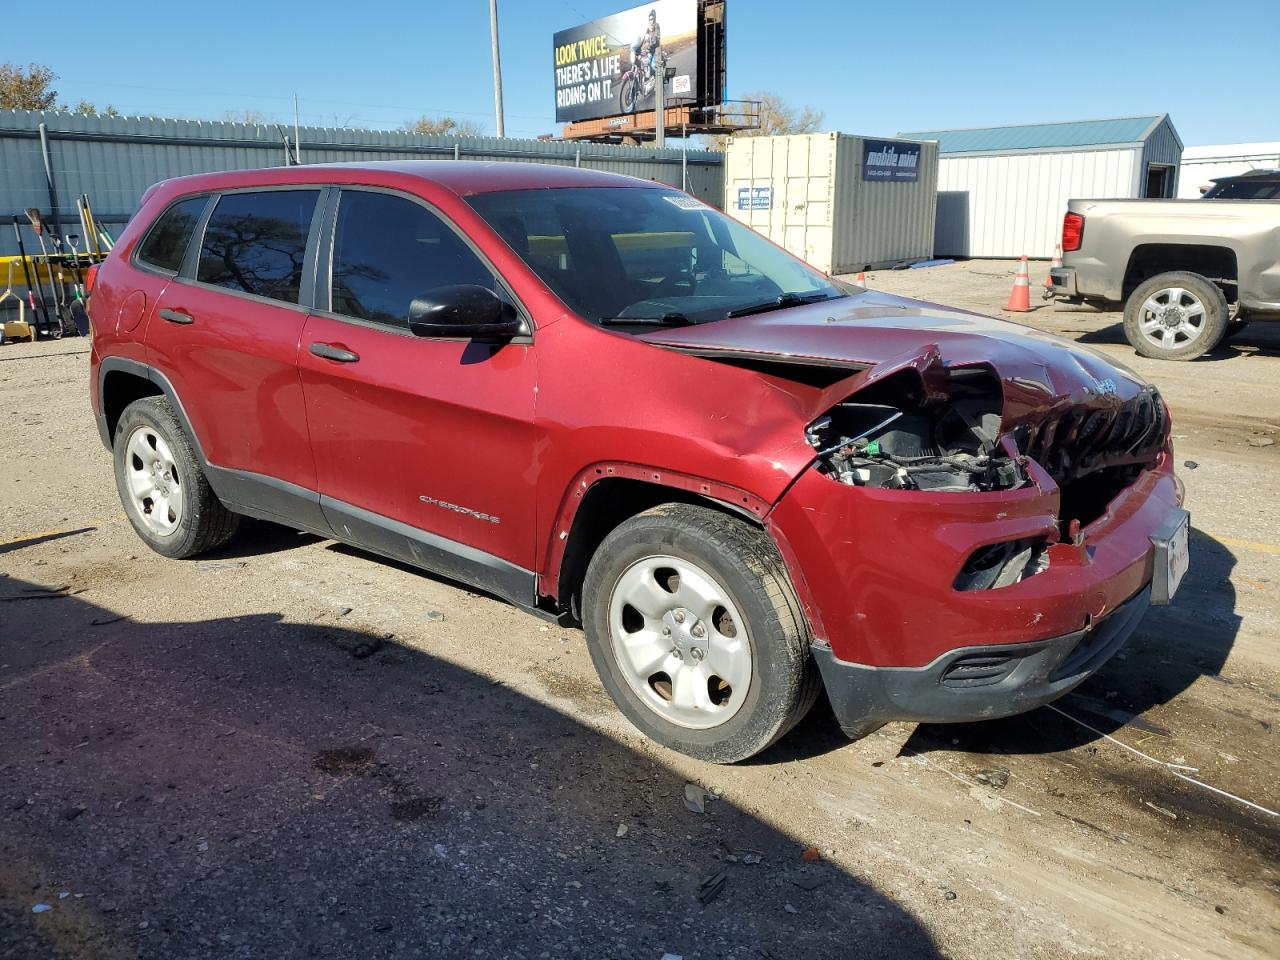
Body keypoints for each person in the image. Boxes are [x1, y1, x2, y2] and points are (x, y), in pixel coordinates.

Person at [630, 9, 662, 90]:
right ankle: (645, 80)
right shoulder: (648, 28)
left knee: (653, 65)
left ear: (654, 18)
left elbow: (657, 36)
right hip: (650, 49)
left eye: (652, 19)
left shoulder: (657, 25)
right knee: (643, 62)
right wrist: (638, 47)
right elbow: (644, 38)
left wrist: (654, 39)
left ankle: (659, 83)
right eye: (650, 19)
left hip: (656, 49)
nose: (651, 21)